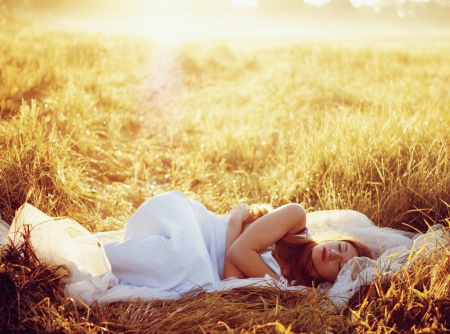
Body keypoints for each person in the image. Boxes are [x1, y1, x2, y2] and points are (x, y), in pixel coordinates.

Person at [2, 190, 415, 306]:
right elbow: (234, 260)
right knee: (189, 266)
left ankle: (76, 262)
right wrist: (233, 228)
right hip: (191, 224)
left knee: (192, 277)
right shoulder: (295, 219)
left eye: (341, 264)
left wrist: (239, 229)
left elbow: (231, 277)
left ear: (330, 280)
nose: (336, 254)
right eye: (341, 246)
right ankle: (73, 259)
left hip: (207, 253)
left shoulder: (292, 289)